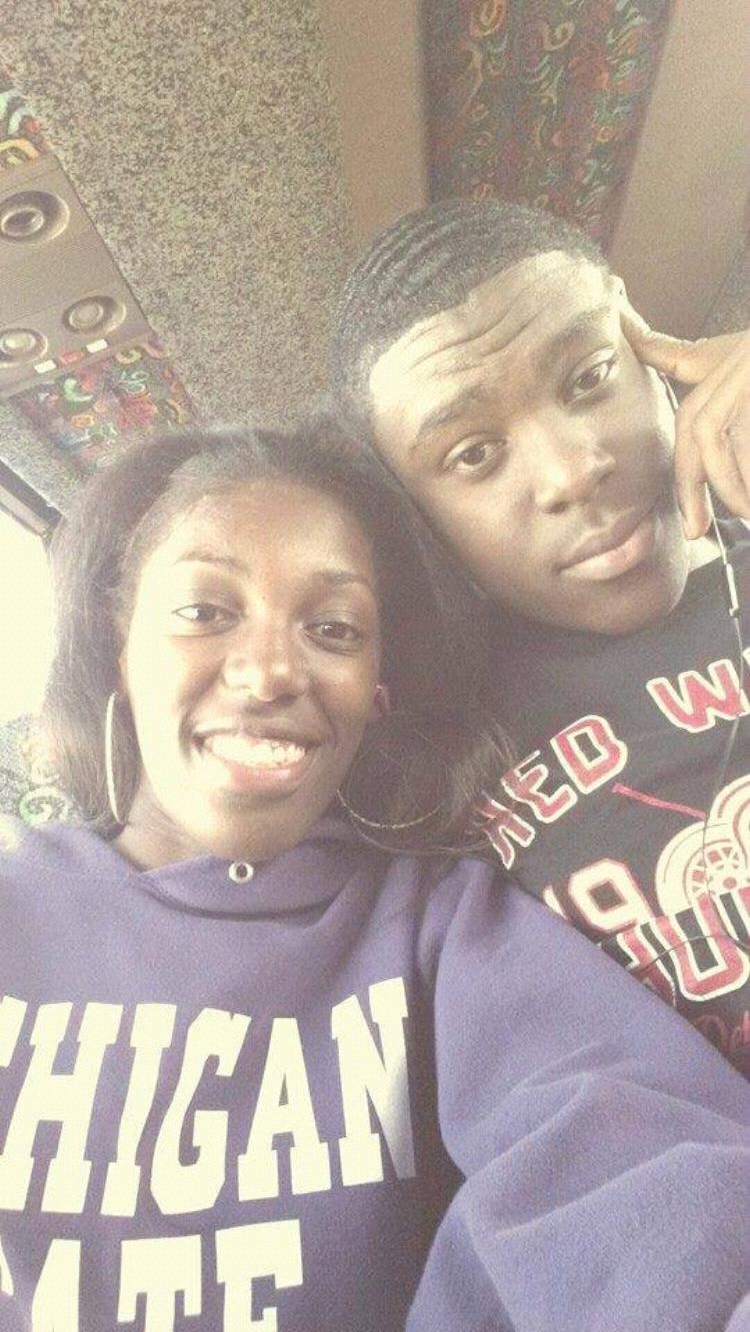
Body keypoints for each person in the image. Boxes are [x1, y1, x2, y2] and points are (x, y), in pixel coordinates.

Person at [0, 419, 748, 1331]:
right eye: (204, 611)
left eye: (334, 629)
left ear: (377, 691)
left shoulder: (441, 930)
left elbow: (631, 1166)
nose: (270, 673)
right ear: (120, 645)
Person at [331, 197, 750, 1075]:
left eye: (589, 376)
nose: (571, 472)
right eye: (473, 454)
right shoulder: (422, 759)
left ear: (642, 340)